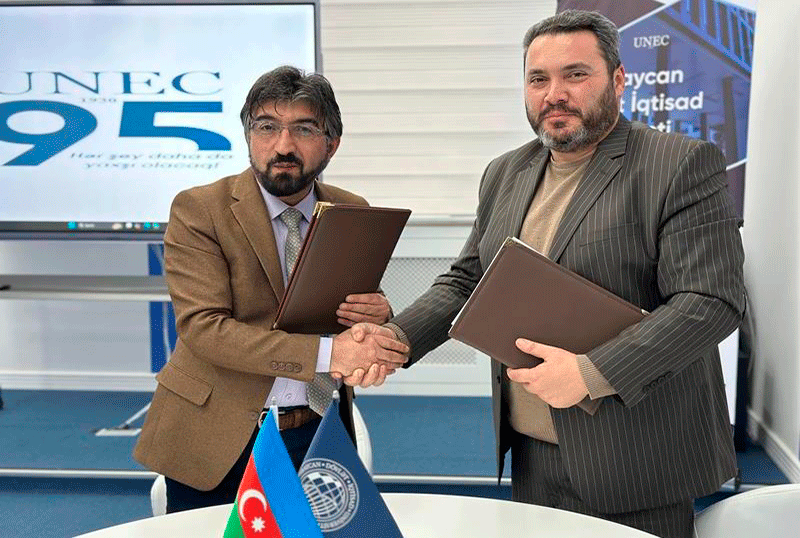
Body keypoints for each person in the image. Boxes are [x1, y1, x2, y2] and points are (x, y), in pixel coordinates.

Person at [373, 10, 744, 538]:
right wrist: (394, 339)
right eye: (538, 79)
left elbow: (709, 301)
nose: (554, 94)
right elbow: (468, 280)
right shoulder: (505, 171)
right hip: (532, 452)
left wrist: (592, 373)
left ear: (618, 79)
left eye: (575, 74)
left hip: (635, 457)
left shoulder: (678, 163)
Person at [133, 65, 408, 513]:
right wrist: (332, 354)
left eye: (304, 129)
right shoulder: (200, 209)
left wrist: (376, 318)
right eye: (266, 127)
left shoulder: (351, 210)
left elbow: (350, 315)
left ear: (331, 143)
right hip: (219, 436)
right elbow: (204, 329)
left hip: (319, 430)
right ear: (248, 137)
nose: (283, 146)